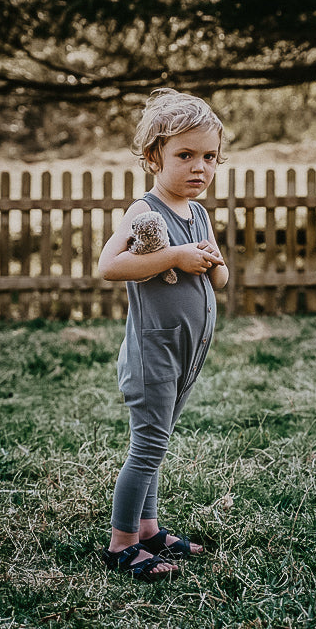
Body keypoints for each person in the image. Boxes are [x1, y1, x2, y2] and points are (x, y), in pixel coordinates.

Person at [97, 88, 229, 582]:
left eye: (210, 157)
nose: (200, 167)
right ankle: (122, 543)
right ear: (154, 157)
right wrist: (174, 256)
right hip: (154, 352)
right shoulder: (144, 212)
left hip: (185, 353)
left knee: (160, 441)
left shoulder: (198, 214)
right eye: (186, 155)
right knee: (147, 447)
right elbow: (111, 266)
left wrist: (214, 265)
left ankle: (148, 528)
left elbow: (218, 277)